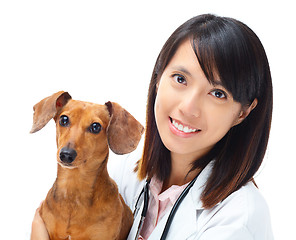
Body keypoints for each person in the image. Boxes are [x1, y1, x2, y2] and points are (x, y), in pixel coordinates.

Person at [31, 14, 274, 239]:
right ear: (158, 77)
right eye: (181, 79)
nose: (188, 107)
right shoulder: (124, 175)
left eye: (218, 93)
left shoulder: (241, 218)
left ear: (243, 112)